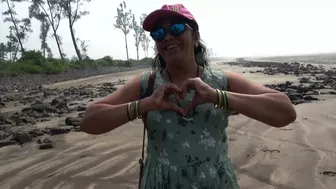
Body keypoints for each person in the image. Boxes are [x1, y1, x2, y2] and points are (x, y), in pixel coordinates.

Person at [80, 3, 297, 189]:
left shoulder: (223, 81)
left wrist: (217, 96)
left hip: (215, 181)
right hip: (160, 182)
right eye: (158, 33)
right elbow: (89, 121)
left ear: (195, 37)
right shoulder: (147, 84)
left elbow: (285, 111)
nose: (167, 36)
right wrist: (145, 104)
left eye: (175, 28)